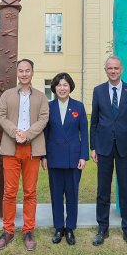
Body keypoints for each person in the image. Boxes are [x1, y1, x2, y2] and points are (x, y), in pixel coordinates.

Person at [0, 58, 49, 251]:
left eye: (27, 70)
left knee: (30, 192)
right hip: (11, 147)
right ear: (17, 73)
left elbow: (44, 118)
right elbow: (1, 115)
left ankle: (28, 230)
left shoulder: (41, 97)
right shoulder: (7, 95)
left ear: (32, 72)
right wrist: (15, 132)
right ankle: (7, 230)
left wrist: (27, 134)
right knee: (9, 192)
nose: (24, 74)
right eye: (21, 71)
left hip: (32, 148)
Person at [89, 56, 127, 252]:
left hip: (125, 150)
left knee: (125, 190)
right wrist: (93, 147)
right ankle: (102, 228)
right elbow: (94, 121)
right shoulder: (98, 91)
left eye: (116, 68)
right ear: (105, 70)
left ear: (122, 69)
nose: (113, 71)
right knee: (102, 190)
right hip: (103, 148)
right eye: (109, 68)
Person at [42, 72, 89, 245]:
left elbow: (84, 133)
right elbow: (45, 134)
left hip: (73, 158)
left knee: (72, 194)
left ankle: (70, 228)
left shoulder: (78, 106)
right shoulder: (48, 107)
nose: (62, 88)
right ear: (54, 88)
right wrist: (44, 156)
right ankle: (59, 227)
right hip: (54, 157)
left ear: (70, 87)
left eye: (65, 85)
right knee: (56, 194)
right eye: (59, 85)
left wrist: (83, 156)